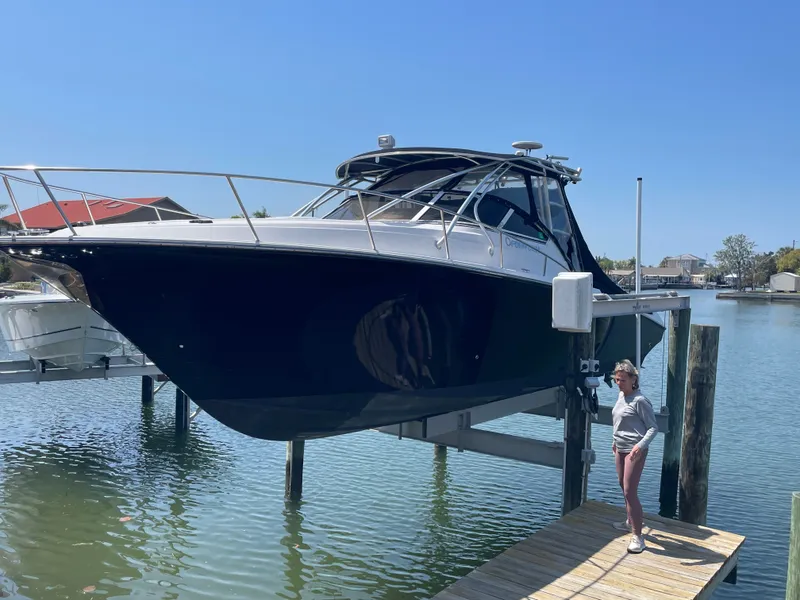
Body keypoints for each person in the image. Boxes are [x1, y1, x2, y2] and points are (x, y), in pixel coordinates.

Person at [611, 359, 658, 554]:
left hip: (634, 450)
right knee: (623, 486)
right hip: (619, 447)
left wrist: (640, 445)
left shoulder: (640, 401)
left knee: (630, 491)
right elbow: (619, 420)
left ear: (633, 379)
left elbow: (653, 428)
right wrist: (615, 441)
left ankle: (638, 536)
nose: (618, 383)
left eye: (622, 380)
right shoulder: (621, 396)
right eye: (616, 379)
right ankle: (629, 521)